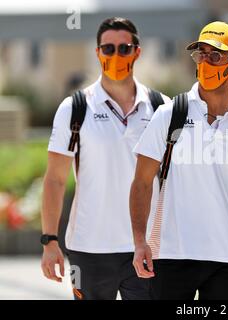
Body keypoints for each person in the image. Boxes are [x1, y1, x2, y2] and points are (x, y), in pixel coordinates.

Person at [130, 21, 228, 300]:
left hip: (227, 259)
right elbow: (141, 182)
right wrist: (140, 242)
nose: (206, 62)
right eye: (201, 54)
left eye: (215, 56)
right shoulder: (169, 114)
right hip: (171, 255)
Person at [40, 17, 170, 300]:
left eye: (124, 49)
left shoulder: (162, 108)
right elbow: (55, 179)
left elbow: (177, 180)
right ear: (98, 52)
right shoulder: (74, 108)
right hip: (88, 250)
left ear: (137, 51)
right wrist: (49, 240)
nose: (116, 55)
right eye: (108, 49)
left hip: (149, 247)